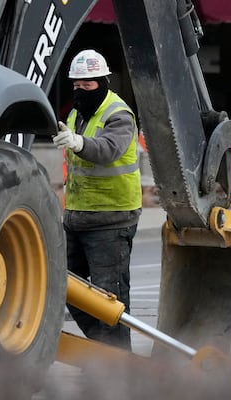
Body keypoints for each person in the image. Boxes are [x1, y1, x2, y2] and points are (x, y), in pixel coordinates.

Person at [53, 49, 142, 350]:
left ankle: (117, 364)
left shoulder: (118, 113)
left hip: (112, 218)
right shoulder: (77, 112)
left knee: (110, 298)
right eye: (76, 85)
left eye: (87, 85)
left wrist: (78, 142)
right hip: (77, 215)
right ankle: (106, 350)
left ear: (103, 81)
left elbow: (108, 150)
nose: (80, 91)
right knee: (63, 285)